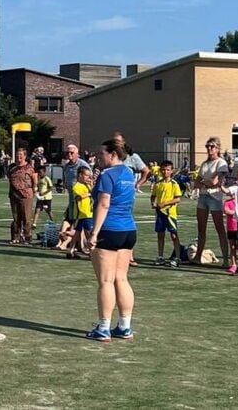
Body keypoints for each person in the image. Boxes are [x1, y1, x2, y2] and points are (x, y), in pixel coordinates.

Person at [86, 136, 137, 342]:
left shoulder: (107, 175)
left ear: (113, 155)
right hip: (128, 230)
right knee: (121, 278)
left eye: (102, 154)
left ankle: (103, 327)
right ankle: (125, 326)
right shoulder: (129, 173)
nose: (99, 157)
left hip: (109, 230)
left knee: (106, 281)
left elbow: (103, 204)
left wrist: (94, 233)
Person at [193, 137, 230, 267]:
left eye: (212, 146)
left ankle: (226, 259)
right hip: (203, 196)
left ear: (218, 148)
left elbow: (215, 182)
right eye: (207, 146)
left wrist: (203, 182)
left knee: (219, 228)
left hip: (215, 197)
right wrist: (204, 183)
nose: (209, 149)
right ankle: (198, 256)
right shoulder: (204, 164)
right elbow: (196, 182)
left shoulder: (221, 163)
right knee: (201, 228)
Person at [150, 160, 182, 267]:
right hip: (159, 214)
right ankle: (160, 256)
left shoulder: (174, 184)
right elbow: (153, 196)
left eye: (167, 170)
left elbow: (177, 199)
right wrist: (153, 203)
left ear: (171, 171)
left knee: (173, 235)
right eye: (163, 170)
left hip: (170, 214)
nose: (165, 172)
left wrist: (165, 203)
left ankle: (177, 257)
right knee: (160, 234)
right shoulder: (157, 184)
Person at [61, 165, 96, 258]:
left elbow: (93, 192)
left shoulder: (86, 185)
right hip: (83, 213)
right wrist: (90, 193)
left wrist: (91, 185)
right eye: (87, 175)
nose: (88, 177)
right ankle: (92, 251)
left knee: (77, 232)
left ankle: (70, 250)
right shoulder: (76, 186)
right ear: (80, 175)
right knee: (89, 233)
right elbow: (80, 197)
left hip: (87, 212)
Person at [6, 147, 37, 244]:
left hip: (26, 195)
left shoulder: (29, 167)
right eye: (16, 155)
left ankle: (27, 237)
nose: (18, 157)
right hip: (14, 194)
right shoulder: (12, 167)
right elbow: (9, 178)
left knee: (26, 217)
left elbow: (34, 179)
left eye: (20, 155)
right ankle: (15, 236)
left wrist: (34, 189)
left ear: (25, 156)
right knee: (16, 218)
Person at [223, 197, 238, 273]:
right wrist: (237, 212)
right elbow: (226, 211)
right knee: (232, 247)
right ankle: (233, 264)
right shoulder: (227, 202)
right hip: (231, 228)